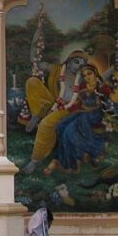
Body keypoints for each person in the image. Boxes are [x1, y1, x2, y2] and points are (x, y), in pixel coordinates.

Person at [22, 45, 90, 174]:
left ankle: (35, 160)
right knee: (32, 82)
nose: (79, 66)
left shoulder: (83, 77)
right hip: (53, 102)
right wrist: (35, 41)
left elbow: (100, 79)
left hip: (68, 109)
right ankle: (36, 114)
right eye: (76, 62)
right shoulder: (57, 69)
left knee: (45, 125)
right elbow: (34, 61)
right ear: (69, 62)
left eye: (82, 64)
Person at [47, 64, 118, 175]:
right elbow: (78, 103)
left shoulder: (102, 86)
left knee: (69, 131)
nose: (87, 77)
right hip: (82, 112)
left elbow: (115, 99)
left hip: (95, 115)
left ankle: (65, 162)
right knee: (61, 125)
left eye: (89, 73)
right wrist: (63, 106)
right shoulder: (82, 85)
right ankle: (63, 157)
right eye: (84, 75)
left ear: (95, 73)